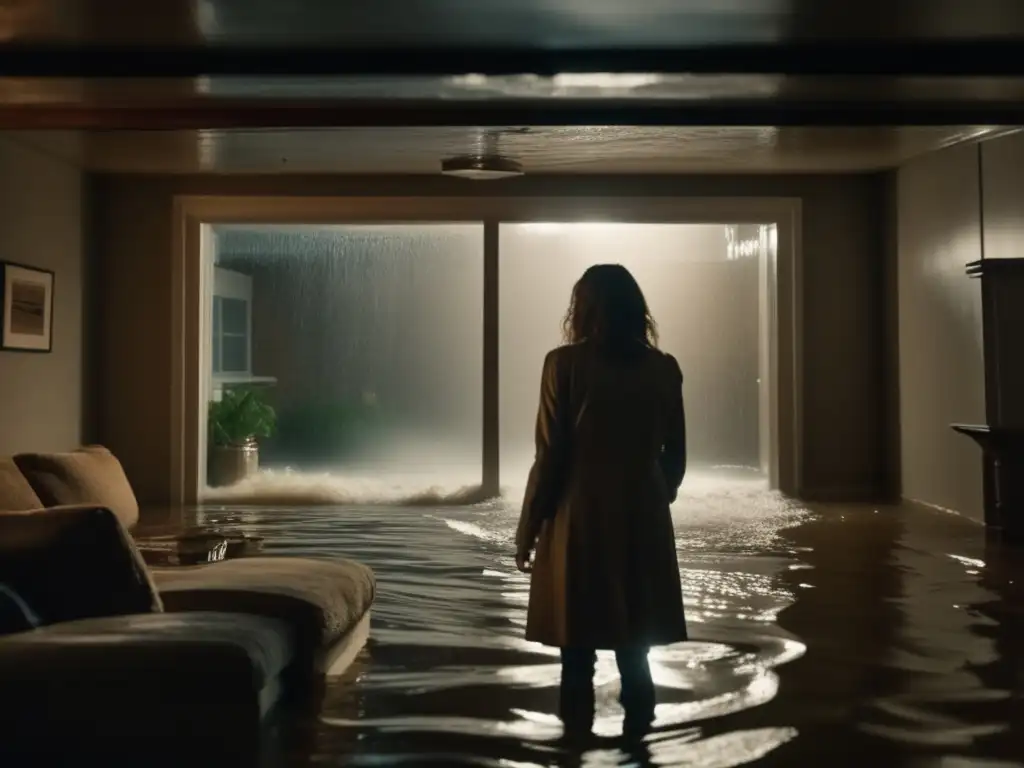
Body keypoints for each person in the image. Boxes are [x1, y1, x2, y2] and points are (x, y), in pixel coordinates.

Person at [514, 263, 688, 738]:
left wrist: (528, 530)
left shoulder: (563, 364)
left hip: (579, 518)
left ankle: (574, 747)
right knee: (636, 654)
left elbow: (550, 456)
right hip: (644, 518)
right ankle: (640, 748)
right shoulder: (664, 368)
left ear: (583, 308)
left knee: (577, 655)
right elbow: (676, 457)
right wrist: (652, 494)